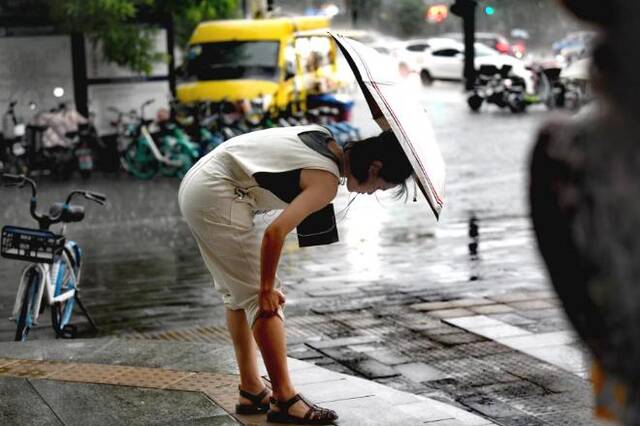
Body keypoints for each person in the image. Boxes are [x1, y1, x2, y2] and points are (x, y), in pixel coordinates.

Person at [178, 124, 413, 424]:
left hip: (202, 184)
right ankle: (285, 399)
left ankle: (251, 389)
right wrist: (265, 288)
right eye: (379, 186)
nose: (373, 192)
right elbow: (275, 233)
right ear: (374, 167)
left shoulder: (322, 136)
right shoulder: (326, 181)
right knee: (261, 297)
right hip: (217, 192)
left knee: (236, 293)